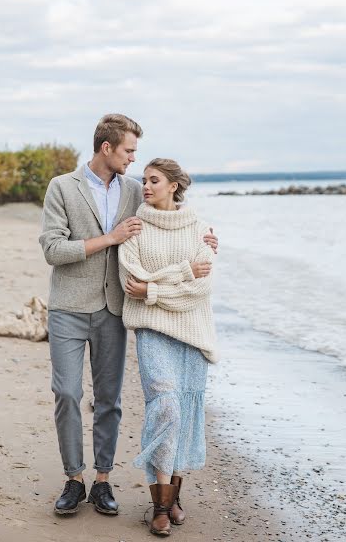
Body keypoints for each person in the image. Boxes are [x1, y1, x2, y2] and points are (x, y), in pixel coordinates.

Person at [39, 115, 218, 517]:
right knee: (67, 394)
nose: (133, 159)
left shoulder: (137, 190)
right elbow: (52, 250)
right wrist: (111, 238)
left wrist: (207, 239)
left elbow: (174, 219)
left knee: (109, 401)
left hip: (113, 310)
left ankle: (102, 481)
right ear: (107, 148)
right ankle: (74, 478)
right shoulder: (61, 188)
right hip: (68, 306)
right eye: (128, 151)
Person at [118, 158, 218, 536]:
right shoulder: (135, 229)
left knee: (187, 411)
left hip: (193, 333)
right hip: (152, 333)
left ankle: (172, 498)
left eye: (153, 180)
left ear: (174, 185)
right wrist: (183, 272)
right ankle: (158, 505)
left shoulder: (200, 228)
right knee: (166, 407)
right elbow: (133, 282)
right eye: (143, 179)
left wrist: (156, 290)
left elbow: (201, 288)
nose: (145, 185)